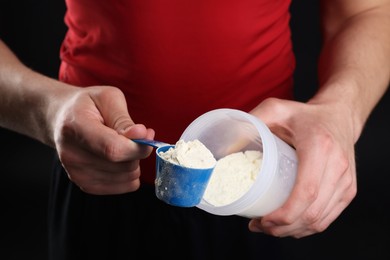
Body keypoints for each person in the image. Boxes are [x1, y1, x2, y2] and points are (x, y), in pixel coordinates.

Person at [1, 0, 389, 259]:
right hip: (96, 178)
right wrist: (48, 111)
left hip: (260, 194)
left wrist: (341, 112)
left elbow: (367, 10)